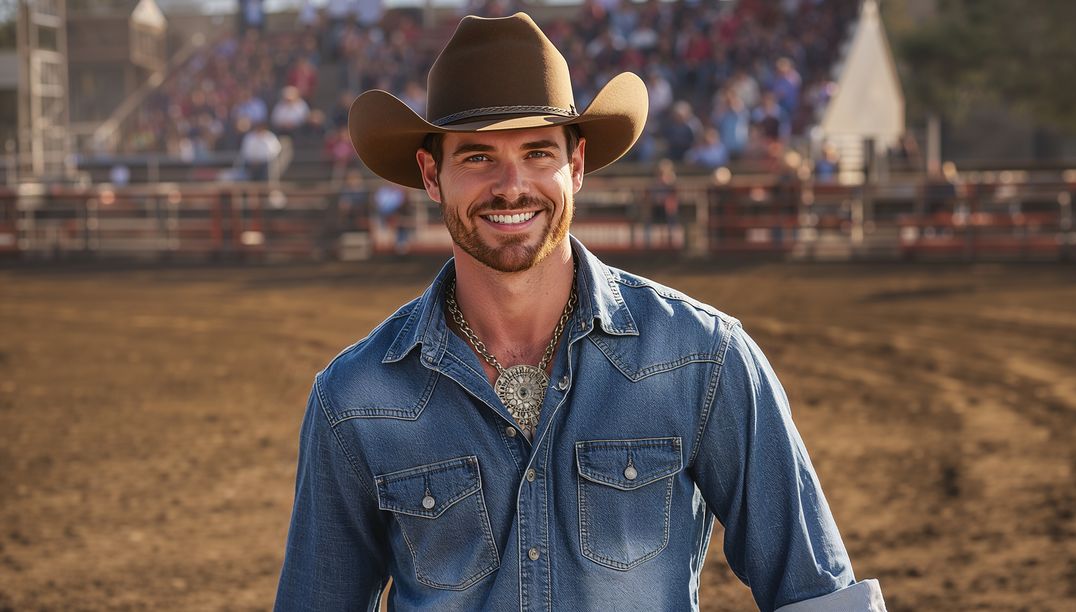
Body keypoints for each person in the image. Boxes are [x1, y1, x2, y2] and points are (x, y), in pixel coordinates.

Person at [275, 13, 886, 612]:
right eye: (478, 157)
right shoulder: (353, 399)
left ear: (577, 165)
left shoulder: (704, 357)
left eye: (538, 152)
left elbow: (820, 597)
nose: (511, 186)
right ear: (432, 175)